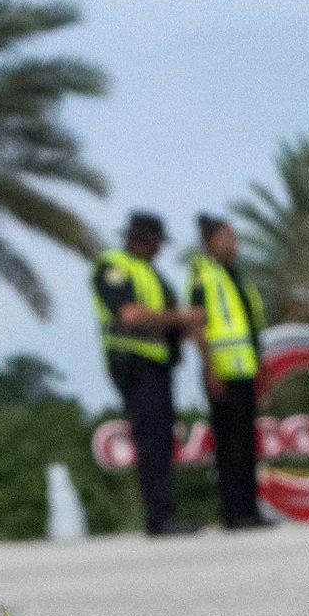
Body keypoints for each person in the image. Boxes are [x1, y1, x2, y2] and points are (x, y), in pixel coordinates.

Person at [93, 213, 197, 535]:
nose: (159, 249)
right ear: (139, 238)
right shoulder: (113, 266)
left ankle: (166, 512)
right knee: (150, 438)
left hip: (157, 364)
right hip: (133, 362)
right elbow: (129, 315)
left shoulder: (152, 273)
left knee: (163, 438)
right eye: (155, 242)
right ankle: (159, 517)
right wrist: (179, 318)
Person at [187, 213, 271, 531]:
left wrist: (263, 368)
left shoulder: (237, 276)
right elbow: (197, 323)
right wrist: (210, 370)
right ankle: (233, 512)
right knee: (228, 445)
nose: (234, 242)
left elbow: (251, 326)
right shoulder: (203, 274)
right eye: (228, 237)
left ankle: (250, 509)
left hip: (246, 369)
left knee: (247, 443)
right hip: (222, 373)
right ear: (211, 242)